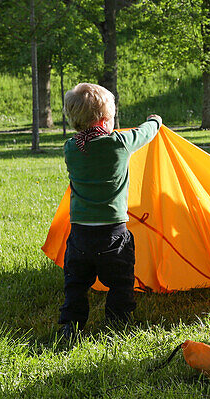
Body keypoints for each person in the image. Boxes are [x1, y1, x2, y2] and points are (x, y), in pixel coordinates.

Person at [57, 83, 162, 340]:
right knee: (120, 282)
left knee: (76, 284)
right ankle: (118, 323)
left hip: (80, 235)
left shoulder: (71, 148)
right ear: (105, 119)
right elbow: (144, 133)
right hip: (113, 235)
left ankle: (71, 325)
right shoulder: (119, 144)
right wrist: (155, 121)